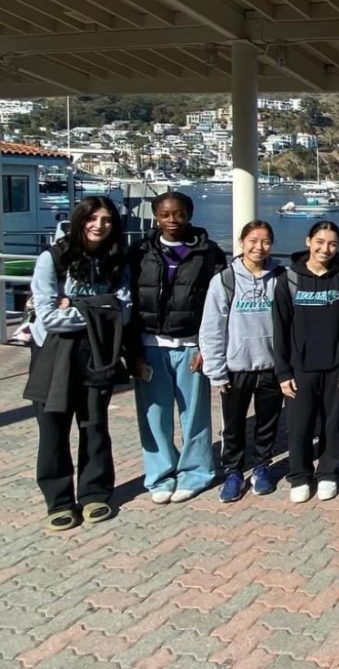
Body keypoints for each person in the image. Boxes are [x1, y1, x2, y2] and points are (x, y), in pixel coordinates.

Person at [25, 197, 130, 530]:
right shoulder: (52, 259)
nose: (100, 225)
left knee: (95, 427)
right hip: (54, 357)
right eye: (93, 218)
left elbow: (124, 311)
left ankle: (94, 493)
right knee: (53, 430)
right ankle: (58, 500)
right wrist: (100, 308)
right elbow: (49, 318)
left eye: (107, 220)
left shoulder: (115, 261)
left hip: (97, 354)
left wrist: (79, 306)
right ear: (79, 220)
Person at [128, 191, 227, 504]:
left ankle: (196, 473)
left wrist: (206, 346)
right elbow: (127, 302)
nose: (172, 220)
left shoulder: (209, 252)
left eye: (179, 214)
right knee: (154, 416)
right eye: (165, 215)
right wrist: (132, 352)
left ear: (189, 214)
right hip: (149, 345)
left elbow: (217, 305)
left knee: (194, 415)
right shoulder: (140, 251)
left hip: (190, 346)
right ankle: (160, 475)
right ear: (156, 217)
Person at [273, 220, 339, 503]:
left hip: (336, 367)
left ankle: (328, 471)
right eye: (320, 242)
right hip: (300, 367)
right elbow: (280, 328)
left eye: (332, 244)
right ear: (308, 241)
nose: (325, 248)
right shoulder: (288, 280)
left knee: (333, 423)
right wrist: (283, 371)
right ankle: (300, 475)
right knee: (299, 424)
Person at [198, 220, 284, 502]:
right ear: (242, 243)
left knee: (267, 423)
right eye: (253, 241)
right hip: (236, 369)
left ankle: (262, 467)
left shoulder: (280, 277)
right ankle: (233, 472)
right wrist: (216, 371)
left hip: (270, 367)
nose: (259, 247)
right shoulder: (225, 280)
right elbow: (212, 328)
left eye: (265, 241)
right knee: (233, 426)